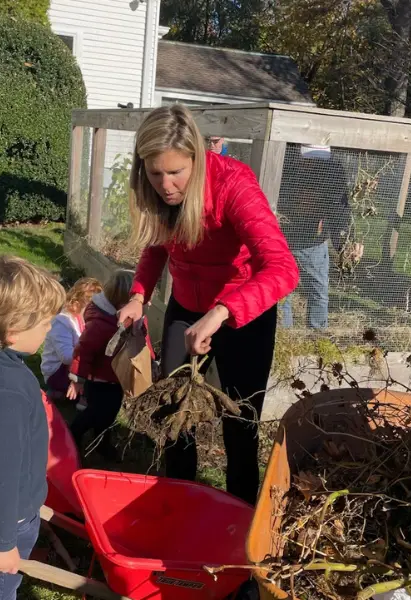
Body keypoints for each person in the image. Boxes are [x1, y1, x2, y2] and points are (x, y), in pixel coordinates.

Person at [117, 104, 299, 505]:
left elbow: (284, 268)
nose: (166, 185)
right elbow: (157, 244)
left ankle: (238, 518)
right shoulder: (157, 194)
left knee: (240, 422)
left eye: (176, 173)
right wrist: (138, 295)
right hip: (185, 306)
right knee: (175, 412)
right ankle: (179, 501)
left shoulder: (234, 185)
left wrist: (222, 311)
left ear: (196, 159)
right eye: (155, 173)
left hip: (241, 314)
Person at [0, 255, 66, 600]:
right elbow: (0, 474)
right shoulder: (5, 394)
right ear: (14, 330)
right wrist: (4, 545)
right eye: (46, 323)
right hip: (5, 523)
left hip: (2, 513)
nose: (49, 329)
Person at [67, 269, 154, 460]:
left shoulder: (135, 319)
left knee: (110, 414)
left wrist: (151, 360)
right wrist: (77, 379)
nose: (146, 303)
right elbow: (84, 351)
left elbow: (143, 340)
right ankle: (73, 436)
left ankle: (102, 443)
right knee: (93, 412)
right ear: (122, 300)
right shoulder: (101, 324)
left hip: (116, 379)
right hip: (98, 380)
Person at [277, 145, 363, 329]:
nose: (313, 163)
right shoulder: (283, 163)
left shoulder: (333, 171)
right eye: (309, 159)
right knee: (281, 291)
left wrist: (345, 243)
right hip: (280, 237)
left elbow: (340, 209)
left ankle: (317, 335)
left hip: (313, 240)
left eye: (318, 159)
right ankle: (283, 335)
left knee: (319, 290)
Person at [41, 277, 102, 399]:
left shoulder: (81, 318)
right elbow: (67, 357)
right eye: (91, 309)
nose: (95, 314)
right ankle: (62, 390)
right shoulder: (62, 323)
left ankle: (65, 393)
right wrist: (89, 352)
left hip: (69, 369)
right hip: (56, 372)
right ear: (76, 304)